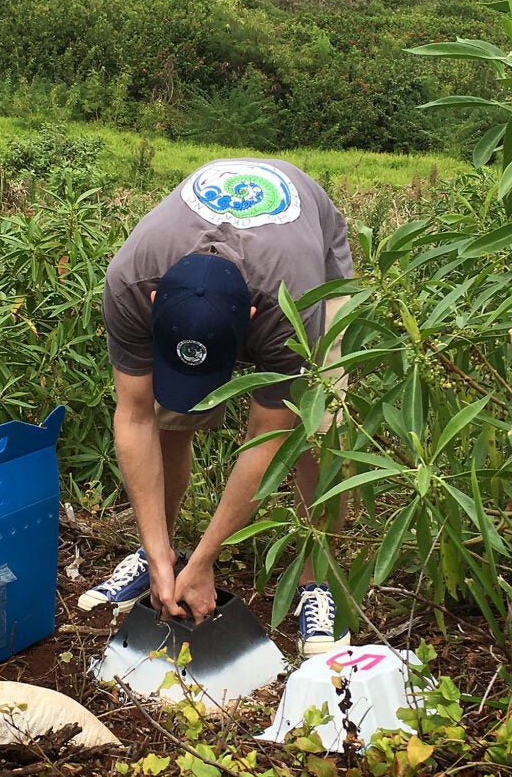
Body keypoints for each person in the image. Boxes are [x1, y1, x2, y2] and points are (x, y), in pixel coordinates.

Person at [78, 158, 352, 656]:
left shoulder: (291, 305)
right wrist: (164, 556)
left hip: (309, 262)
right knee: (169, 419)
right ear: (156, 300)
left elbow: (266, 440)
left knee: (318, 432)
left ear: (250, 320)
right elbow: (135, 415)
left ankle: (317, 582)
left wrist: (205, 559)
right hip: (205, 273)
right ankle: (153, 555)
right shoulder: (130, 282)